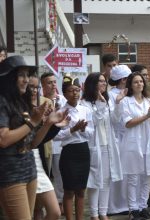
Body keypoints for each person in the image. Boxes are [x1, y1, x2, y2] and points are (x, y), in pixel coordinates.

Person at [0, 56, 64, 219]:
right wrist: (33, 122)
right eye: (21, 75)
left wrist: (48, 123)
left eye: (27, 75)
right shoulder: (2, 102)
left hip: (30, 169)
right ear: (8, 78)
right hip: (10, 173)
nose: (26, 80)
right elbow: (3, 139)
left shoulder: (22, 103)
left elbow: (32, 143)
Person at [117, 72, 150, 219]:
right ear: (130, 85)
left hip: (147, 141)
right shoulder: (126, 101)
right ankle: (133, 209)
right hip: (133, 142)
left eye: (141, 82)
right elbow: (128, 123)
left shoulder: (149, 99)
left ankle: (143, 207)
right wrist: (147, 115)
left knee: (146, 176)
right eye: (136, 82)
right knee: (133, 178)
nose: (139, 84)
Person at [81, 73, 123, 220]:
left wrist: (117, 103)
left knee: (106, 179)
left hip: (108, 145)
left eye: (105, 81)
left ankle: (103, 213)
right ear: (92, 84)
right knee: (94, 180)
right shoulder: (84, 104)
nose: (104, 84)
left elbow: (116, 120)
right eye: (100, 81)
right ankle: (94, 214)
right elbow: (93, 122)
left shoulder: (108, 100)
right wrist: (100, 105)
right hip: (94, 145)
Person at [54, 76, 93, 220]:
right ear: (64, 94)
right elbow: (56, 136)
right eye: (71, 91)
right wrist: (73, 129)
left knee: (81, 191)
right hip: (69, 153)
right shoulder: (61, 112)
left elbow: (91, 133)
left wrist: (82, 130)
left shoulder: (85, 110)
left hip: (83, 151)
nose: (75, 93)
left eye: (77, 90)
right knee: (69, 190)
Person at [29, 74, 63, 220]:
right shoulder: (16, 105)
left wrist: (53, 125)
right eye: (31, 86)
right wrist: (37, 121)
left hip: (41, 151)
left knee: (51, 210)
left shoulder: (46, 102)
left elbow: (39, 139)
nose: (34, 90)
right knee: (29, 208)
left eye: (36, 87)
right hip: (21, 156)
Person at [107, 65, 132, 215]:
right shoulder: (111, 95)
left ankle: (127, 203)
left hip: (130, 135)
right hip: (117, 136)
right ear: (123, 79)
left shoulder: (130, 93)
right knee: (117, 172)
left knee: (128, 172)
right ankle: (114, 205)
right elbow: (114, 118)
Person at [40, 72, 67, 214]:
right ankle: (44, 205)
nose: (53, 85)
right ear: (43, 85)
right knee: (47, 173)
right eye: (49, 83)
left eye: (54, 82)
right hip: (46, 143)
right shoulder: (40, 101)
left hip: (60, 142)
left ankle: (60, 201)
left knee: (60, 174)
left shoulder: (62, 100)